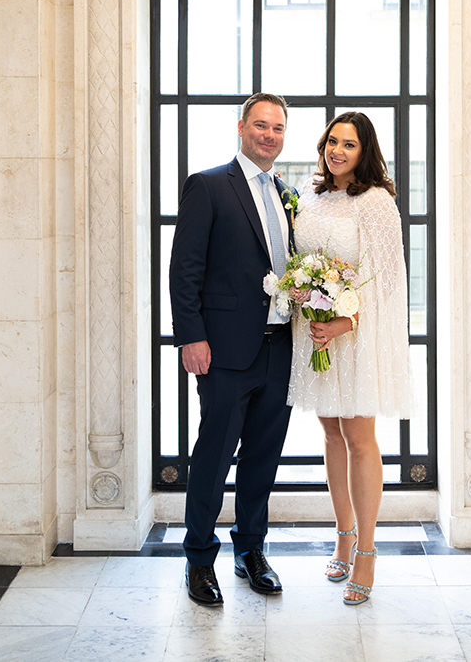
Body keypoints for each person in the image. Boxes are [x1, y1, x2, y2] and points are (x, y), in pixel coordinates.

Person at [169, 93, 295, 606]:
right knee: (214, 457)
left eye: (278, 128)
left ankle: (250, 551)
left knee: (263, 458)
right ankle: (199, 558)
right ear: (241, 127)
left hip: (281, 347)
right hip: (223, 351)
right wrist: (191, 336)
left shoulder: (287, 193)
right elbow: (185, 269)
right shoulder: (208, 186)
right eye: (261, 125)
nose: (269, 135)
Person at [287, 111, 414, 605]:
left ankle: (366, 550)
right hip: (317, 332)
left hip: (355, 333)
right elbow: (302, 262)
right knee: (331, 434)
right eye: (332, 142)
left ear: (365, 152)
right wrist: (305, 298)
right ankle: (342, 535)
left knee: (360, 438)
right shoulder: (312, 193)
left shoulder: (376, 201)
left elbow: (389, 279)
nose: (337, 151)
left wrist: (345, 319)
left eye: (349, 145)